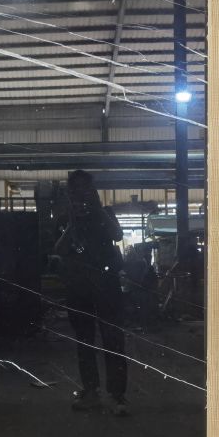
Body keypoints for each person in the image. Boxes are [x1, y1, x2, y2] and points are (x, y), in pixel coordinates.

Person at [54, 170, 130, 415]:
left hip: (106, 283)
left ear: (93, 191)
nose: (81, 193)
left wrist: (98, 212)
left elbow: (117, 235)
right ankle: (91, 392)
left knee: (112, 339)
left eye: (85, 188)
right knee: (84, 340)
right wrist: (73, 222)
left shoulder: (105, 213)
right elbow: (59, 248)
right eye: (75, 189)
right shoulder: (65, 218)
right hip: (79, 285)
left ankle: (117, 395)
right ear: (70, 192)